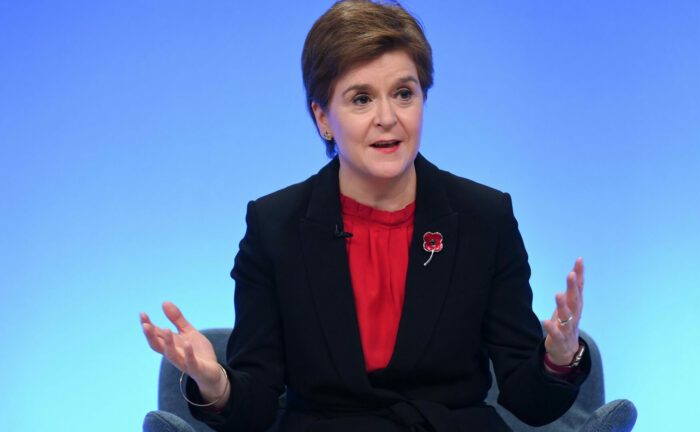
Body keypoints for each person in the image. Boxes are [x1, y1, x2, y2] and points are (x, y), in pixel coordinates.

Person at [141, 1, 590, 431]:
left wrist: (558, 356)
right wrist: (216, 383)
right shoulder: (274, 226)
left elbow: (529, 402)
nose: (388, 117)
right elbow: (256, 408)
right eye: (361, 99)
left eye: (403, 93)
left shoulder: (483, 218)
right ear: (322, 118)